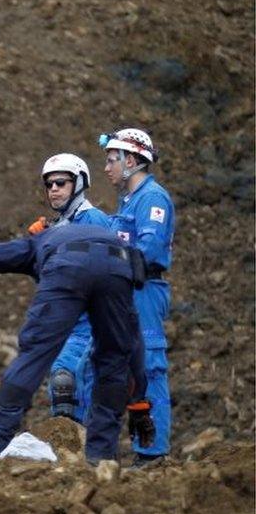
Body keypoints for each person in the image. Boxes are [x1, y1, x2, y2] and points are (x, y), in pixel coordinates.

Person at [0, 225, 153, 465]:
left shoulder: (34, 244)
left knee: (35, 353)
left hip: (67, 264)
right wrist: (140, 404)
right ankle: (101, 457)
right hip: (119, 267)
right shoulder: (110, 241)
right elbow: (133, 342)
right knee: (114, 356)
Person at [101, 128, 174, 466]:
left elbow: (148, 251)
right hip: (125, 289)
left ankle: (152, 451)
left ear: (130, 161)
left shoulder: (153, 198)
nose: (106, 168)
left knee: (150, 366)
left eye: (111, 160)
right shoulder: (129, 199)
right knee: (119, 365)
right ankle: (115, 445)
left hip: (144, 290)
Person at [27, 154, 111, 422]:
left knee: (69, 381)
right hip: (66, 323)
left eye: (61, 183)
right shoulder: (58, 227)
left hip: (90, 323)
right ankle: (70, 454)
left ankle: (82, 453)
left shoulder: (94, 220)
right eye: (49, 184)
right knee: (62, 389)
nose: (53, 189)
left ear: (79, 184)